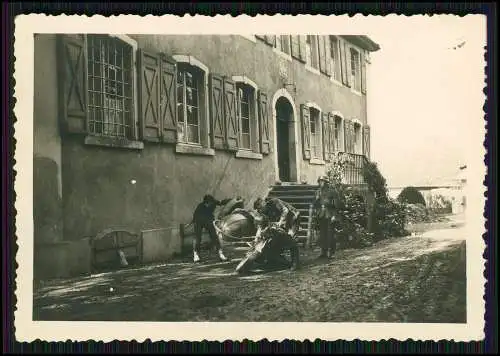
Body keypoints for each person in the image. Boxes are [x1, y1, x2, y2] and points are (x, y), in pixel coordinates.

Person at [253, 197, 301, 270]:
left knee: (291, 238)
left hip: (293, 217)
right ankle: (279, 260)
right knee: (277, 237)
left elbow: (285, 211)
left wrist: (280, 222)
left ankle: (295, 263)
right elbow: (261, 226)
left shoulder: (274, 202)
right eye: (258, 210)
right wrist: (256, 238)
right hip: (284, 220)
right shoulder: (264, 212)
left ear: (262, 204)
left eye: (260, 208)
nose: (260, 211)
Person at [192, 194, 228, 263]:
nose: (212, 205)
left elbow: (221, 202)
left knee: (214, 236)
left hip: (208, 220)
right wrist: (211, 220)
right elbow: (196, 219)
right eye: (210, 203)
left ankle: (220, 254)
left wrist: (232, 200)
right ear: (206, 203)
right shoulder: (200, 208)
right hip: (199, 220)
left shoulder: (213, 203)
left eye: (212, 203)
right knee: (197, 237)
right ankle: (196, 254)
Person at [313, 176, 337, 259]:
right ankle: (323, 252)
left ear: (326, 182)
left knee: (330, 234)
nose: (320, 183)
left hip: (330, 214)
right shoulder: (317, 192)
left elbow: (336, 205)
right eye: (319, 181)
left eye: (322, 181)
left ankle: (331, 252)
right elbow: (315, 205)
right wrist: (316, 200)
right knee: (322, 234)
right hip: (321, 215)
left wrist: (334, 215)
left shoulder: (332, 192)